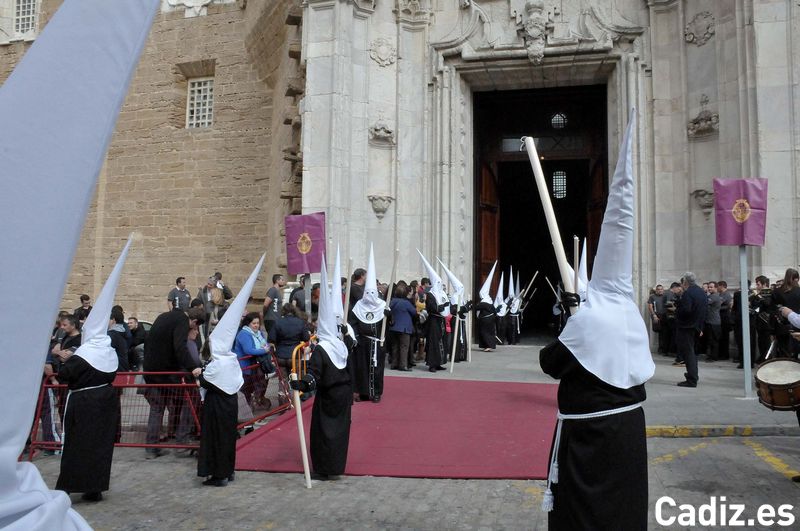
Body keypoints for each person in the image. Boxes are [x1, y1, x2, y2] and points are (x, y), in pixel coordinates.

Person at [539, 115, 653, 530]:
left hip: (590, 439)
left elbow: (551, 362)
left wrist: (573, 321)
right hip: (628, 429)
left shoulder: (591, 320)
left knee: (587, 510)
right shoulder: (628, 314)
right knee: (624, 503)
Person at [56, 240, 131, 502]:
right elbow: (111, 373)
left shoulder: (84, 354)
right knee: (100, 445)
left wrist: (66, 361)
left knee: (79, 444)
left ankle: (70, 484)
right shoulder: (107, 351)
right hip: (106, 401)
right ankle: (94, 487)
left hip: (84, 402)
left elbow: (66, 376)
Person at [197, 256, 262, 487]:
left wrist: (200, 374)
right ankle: (229, 470)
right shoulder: (231, 360)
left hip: (217, 405)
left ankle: (218, 474)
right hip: (229, 404)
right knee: (227, 438)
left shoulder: (219, 363)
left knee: (216, 439)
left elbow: (207, 381)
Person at [290, 258, 355, 480]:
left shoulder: (322, 349)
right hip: (343, 394)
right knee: (339, 432)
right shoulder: (340, 345)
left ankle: (325, 468)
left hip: (328, 396)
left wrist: (300, 384)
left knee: (324, 433)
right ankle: (336, 466)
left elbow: (314, 376)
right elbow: (349, 349)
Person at [142, 306, 205, 458]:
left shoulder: (164, 316)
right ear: (194, 321)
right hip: (167, 372)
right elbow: (180, 347)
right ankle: (182, 443)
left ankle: (151, 448)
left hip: (150, 370)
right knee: (191, 400)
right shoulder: (182, 321)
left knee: (157, 408)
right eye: (196, 326)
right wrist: (193, 367)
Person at [350, 244, 392, 401]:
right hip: (362, 342)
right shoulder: (359, 306)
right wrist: (353, 335)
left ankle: (376, 393)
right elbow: (353, 322)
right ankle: (363, 392)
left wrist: (389, 315)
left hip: (377, 342)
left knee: (376, 368)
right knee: (362, 368)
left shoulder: (382, 306)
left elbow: (388, 325)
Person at [234, 312, 274, 410]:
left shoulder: (258, 333)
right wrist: (264, 350)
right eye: (254, 323)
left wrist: (267, 347)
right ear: (248, 323)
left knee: (256, 386)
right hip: (245, 367)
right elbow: (248, 350)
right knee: (246, 389)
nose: (256, 325)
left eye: (257, 323)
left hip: (255, 366)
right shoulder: (244, 334)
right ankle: (245, 410)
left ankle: (254, 403)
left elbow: (265, 344)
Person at [418, 250, 450, 372]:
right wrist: (442, 307)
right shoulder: (430, 295)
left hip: (440, 320)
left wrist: (449, 307)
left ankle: (439, 362)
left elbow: (446, 306)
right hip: (433, 321)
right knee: (433, 343)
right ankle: (432, 364)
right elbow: (431, 307)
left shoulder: (441, 294)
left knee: (441, 341)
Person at [676, 272, 707, 387]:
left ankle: (692, 379)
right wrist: (701, 327)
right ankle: (693, 376)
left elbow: (686, 310)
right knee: (693, 353)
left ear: (685, 282)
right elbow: (704, 311)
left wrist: (677, 310)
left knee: (688, 353)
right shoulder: (701, 292)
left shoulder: (688, 293)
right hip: (696, 327)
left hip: (687, 327)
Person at [268, 303, 311, 382]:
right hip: (295, 355)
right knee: (296, 378)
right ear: (294, 311)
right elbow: (306, 338)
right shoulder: (300, 322)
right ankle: (296, 393)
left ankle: (283, 393)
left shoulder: (277, 322)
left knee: (283, 379)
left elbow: (271, 339)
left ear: (283, 311)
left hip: (280, 355)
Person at [389, 283, 418, 371]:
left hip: (393, 327)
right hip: (404, 328)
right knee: (404, 347)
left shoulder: (392, 301)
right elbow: (414, 313)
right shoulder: (406, 303)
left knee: (395, 346)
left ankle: (394, 363)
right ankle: (403, 365)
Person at [475, 262, 498, 351]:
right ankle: (487, 345)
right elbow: (494, 310)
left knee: (485, 332)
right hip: (490, 319)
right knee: (489, 332)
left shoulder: (484, 302)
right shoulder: (489, 301)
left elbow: (477, 307)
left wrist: (473, 305)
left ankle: (488, 346)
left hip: (486, 320)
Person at [703, 281, 721, 362]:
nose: (709, 288)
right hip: (710, 320)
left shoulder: (714, 296)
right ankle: (711, 355)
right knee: (710, 340)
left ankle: (713, 356)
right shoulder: (711, 295)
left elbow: (705, 302)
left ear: (716, 288)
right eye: (709, 287)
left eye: (711, 287)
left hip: (713, 322)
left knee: (713, 340)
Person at [647, 284, 666, 354]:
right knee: (660, 332)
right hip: (657, 315)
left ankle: (665, 349)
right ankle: (661, 349)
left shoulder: (665, 296)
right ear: (656, 290)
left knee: (665, 333)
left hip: (665, 316)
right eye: (659, 289)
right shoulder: (652, 297)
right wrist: (653, 315)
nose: (660, 290)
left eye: (661, 289)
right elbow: (650, 306)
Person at [717, 281, 732, 361]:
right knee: (721, 337)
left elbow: (719, 303)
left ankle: (725, 354)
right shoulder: (720, 294)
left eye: (718, 286)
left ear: (722, 286)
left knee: (724, 337)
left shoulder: (726, 294)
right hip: (721, 317)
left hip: (725, 318)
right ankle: (721, 353)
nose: (717, 288)